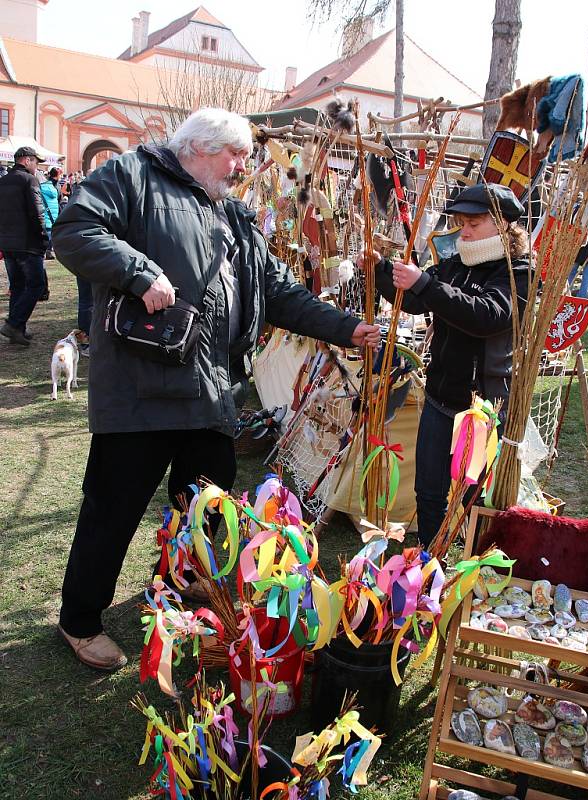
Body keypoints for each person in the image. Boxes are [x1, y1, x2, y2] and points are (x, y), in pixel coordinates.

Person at [52, 107, 380, 671]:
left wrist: (346, 327)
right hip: (138, 391)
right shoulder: (131, 177)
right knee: (113, 508)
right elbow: (74, 231)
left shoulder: (236, 216)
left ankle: (178, 588)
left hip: (209, 392)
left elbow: (278, 293)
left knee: (204, 506)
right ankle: (79, 619)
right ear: (199, 146)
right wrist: (138, 270)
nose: (243, 166)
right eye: (237, 155)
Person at [371, 183, 530, 548]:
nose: (465, 231)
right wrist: (381, 270)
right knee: (428, 491)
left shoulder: (517, 271)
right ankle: (430, 563)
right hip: (442, 399)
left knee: (475, 499)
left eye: (473, 223)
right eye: (461, 223)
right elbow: (414, 301)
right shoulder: (456, 263)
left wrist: (425, 283)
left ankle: (474, 571)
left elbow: (488, 315)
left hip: (481, 408)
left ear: (503, 223)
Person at [0, 145, 49, 345]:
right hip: (28, 243)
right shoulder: (30, 180)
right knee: (36, 285)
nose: (37, 166)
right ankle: (14, 324)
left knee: (18, 286)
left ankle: (17, 329)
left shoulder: (2, 181)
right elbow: (38, 213)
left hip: (8, 243)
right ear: (27, 160)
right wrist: (44, 236)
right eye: (35, 162)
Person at [40, 167, 61, 259]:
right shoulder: (55, 188)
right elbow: (58, 199)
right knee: (50, 233)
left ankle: (44, 251)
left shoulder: (41, 188)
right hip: (53, 215)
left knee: (45, 234)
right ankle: (48, 251)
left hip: (45, 214)